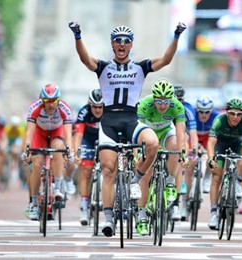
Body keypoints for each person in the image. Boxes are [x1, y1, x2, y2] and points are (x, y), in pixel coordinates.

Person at [69, 21, 186, 237]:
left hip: (132, 118)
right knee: (107, 170)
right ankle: (109, 220)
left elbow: (165, 60)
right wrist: (78, 36)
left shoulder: (140, 67)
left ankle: (135, 180)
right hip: (109, 121)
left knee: (152, 143)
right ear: (112, 44)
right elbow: (85, 60)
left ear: (131, 45)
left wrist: (177, 35)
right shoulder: (104, 67)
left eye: (126, 41)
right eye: (118, 41)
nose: (122, 44)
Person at [136, 79, 187, 235]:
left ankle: (170, 182)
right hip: (147, 134)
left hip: (166, 132)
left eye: (166, 101)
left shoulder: (177, 106)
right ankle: (142, 215)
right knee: (145, 174)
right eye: (159, 101)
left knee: (174, 147)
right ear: (153, 98)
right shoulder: (145, 104)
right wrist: (138, 153)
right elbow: (136, 132)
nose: (163, 105)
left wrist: (182, 152)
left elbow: (180, 133)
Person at [22, 83, 75, 221]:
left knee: (58, 147)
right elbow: (29, 132)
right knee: (37, 163)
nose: (51, 105)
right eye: (47, 101)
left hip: (57, 132)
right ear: (42, 100)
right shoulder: (35, 107)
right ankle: (33, 204)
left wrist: (70, 152)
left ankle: (57, 187)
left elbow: (68, 135)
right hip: (39, 133)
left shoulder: (65, 108)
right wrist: (26, 150)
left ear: (59, 100)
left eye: (54, 101)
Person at [206, 98, 242, 230]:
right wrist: (211, 159)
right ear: (227, 112)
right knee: (216, 176)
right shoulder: (219, 120)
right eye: (232, 113)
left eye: (239, 114)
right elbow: (211, 143)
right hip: (221, 144)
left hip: (237, 143)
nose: (235, 117)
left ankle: (238, 181)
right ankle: (214, 212)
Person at [74, 89, 104, 226]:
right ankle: (85, 205)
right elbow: (78, 135)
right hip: (88, 140)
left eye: (100, 107)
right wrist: (76, 152)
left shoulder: (109, 112)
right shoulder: (84, 112)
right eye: (94, 107)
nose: (97, 110)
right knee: (85, 169)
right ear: (89, 105)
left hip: (104, 139)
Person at [173, 83, 199, 221]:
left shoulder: (188, 109)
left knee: (187, 162)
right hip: (166, 135)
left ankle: (182, 204)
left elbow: (193, 133)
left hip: (182, 137)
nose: (178, 102)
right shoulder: (164, 107)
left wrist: (193, 151)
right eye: (175, 99)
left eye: (181, 100)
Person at [195, 95, 220, 194]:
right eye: (201, 111)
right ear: (197, 110)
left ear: (211, 110)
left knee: (211, 155)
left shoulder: (216, 116)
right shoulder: (192, 113)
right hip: (195, 135)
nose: (204, 114)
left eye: (207, 112)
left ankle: (207, 177)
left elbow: (216, 136)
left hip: (207, 136)